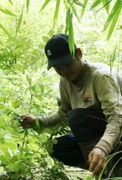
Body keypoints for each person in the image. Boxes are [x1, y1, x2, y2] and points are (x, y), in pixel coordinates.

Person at [19, 33, 122, 177]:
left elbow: (117, 119)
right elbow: (63, 114)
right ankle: (104, 168)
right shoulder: (65, 81)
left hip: (117, 135)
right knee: (57, 146)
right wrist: (38, 121)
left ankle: (106, 170)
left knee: (78, 117)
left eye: (67, 64)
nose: (64, 71)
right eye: (58, 68)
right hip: (100, 134)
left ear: (79, 54)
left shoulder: (102, 76)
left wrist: (102, 148)